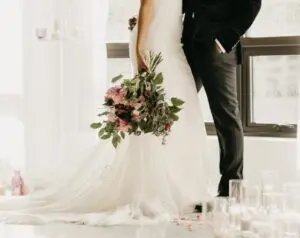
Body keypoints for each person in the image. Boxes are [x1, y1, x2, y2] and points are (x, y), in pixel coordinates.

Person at [0, 0, 211, 225]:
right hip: (155, 42)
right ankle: (158, 188)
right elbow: (147, 4)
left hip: (169, 41)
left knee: (173, 109)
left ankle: (178, 187)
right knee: (158, 110)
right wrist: (140, 46)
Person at [182, 0, 261, 205]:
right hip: (186, 44)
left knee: (226, 115)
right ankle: (181, 185)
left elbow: (252, 3)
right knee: (176, 112)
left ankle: (231, 190)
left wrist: (226, 39)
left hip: (217, 47)